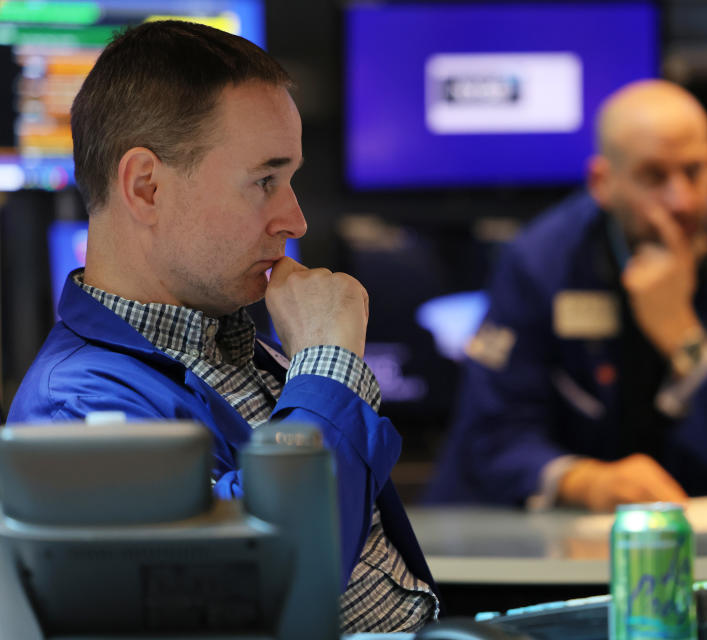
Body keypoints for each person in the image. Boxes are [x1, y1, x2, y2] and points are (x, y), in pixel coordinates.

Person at [7, 21, 436, 633]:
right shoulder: (76, 412)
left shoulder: (232, 340)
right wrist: (327, 370)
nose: (295, 219)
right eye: (265, 180)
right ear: (146, 186)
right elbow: (260, 588)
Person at [426, 80, 707, 511]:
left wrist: (681, 334)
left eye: (693, 172)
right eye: (654, 176)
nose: (681, 201)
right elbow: (489, 434)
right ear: (602, 182)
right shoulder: (540, 265)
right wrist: (584, 481)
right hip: (549, 543)